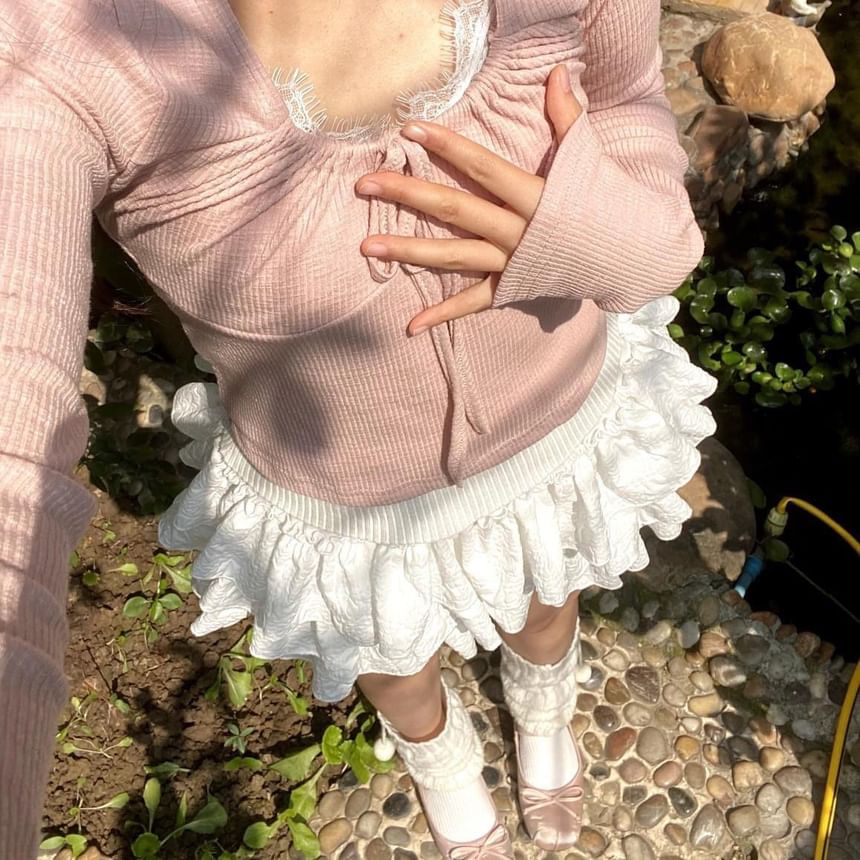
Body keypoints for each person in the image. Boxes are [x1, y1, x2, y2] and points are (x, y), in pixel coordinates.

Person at [0, 0, 718, 856]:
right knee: (394, 663)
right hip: (346, 510)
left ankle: (543, 705)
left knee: (545, 607)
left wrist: (626, 242)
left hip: (556, 433)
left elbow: (630, 100)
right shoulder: (55, 45)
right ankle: (440, 760)